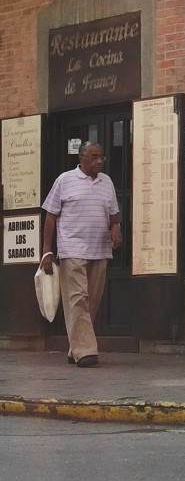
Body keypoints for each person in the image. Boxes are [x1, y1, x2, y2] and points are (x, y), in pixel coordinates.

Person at [40, 141, 122, 368]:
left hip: (100, 249)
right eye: (94, 157)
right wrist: (47, 250)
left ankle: (75, 347)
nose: (99, 161)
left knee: (91, 301)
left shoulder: (107, 183)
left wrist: (117, 226)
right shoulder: (64, 180)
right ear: (81, 159)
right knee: (78, 299)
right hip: (72, 248)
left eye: (101, 156)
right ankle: (86, 351)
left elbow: (114, 215)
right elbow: (50, 217)